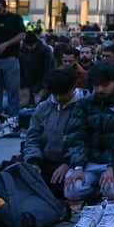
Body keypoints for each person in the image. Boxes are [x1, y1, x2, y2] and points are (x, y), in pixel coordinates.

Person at [62, 62, 114, 227]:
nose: (99, 89)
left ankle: (113, 211)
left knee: (112, 188)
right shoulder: (84, 104)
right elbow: (77, 136)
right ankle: (93, 209)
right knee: (72, 188)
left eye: (105, 85)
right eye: (96, 85)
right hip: (90, 162)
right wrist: (77, 166)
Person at [21, 67, 83, 198]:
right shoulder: (43, 108)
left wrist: (67, 163)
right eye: (55, 94)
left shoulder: (83, 106)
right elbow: (33, 137)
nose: (59, 97)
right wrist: (34, 162)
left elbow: (83, 141)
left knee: (69, 187)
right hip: (43, 160)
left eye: (63, 93)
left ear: (73, 87)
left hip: (71, 163)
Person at [0, 0, 26, 118]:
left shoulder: (15, 19)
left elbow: (22, 34)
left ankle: (14, 113)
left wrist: (6, 44)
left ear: (4, 7)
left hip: (10, 57)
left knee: (13, 88)